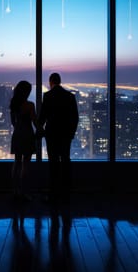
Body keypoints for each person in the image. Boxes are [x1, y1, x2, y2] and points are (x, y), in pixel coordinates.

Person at [38, 73, 79, 203]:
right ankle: (67, 191)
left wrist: (39, 129)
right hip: (66, 134)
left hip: (51, 134)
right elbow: (75, 117)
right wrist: (71, 133)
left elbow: (43, 116)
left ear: (51, 82)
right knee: (65, 160)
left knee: (53, 163)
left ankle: (54, 192)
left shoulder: (48, 96)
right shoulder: (70, 96)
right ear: (60, 82)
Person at [10, 80, 38, 201]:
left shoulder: (13, 104)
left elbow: (13, 122)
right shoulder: (30, 105)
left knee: (16, 163)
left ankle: (15, 192)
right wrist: (42, 130)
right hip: (27, 135)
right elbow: (35, 121)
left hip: (17, 135)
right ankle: (23, 193)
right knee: (25, 165)